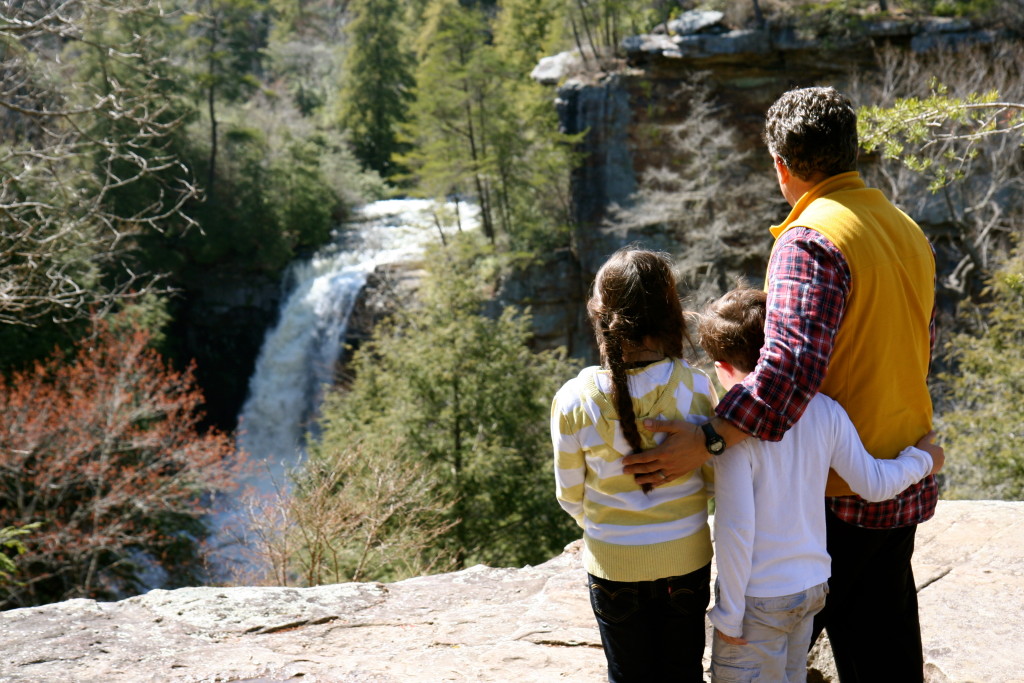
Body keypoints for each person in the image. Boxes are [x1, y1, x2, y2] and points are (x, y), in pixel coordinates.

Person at [621, 85, 939, 682]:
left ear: (781, 165)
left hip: (834, 493)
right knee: (885, 657)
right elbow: (921, 345)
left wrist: (710, 437)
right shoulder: (906, 230)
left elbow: (789, 364)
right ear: (851, 152)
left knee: (768, 656)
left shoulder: (811, 240)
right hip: (895, 473)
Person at [697, 286, 944, 683]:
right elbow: (875, 483)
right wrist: (924, 459)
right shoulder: (825, 410)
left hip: (759, 599)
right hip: (812, 589)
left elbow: (736, 528)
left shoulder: (735, 426)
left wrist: (728, 613)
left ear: (722, 368)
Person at [551, 246, 715, 682]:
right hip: (687, 560)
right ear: (671, 312)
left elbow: (570, 495)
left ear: (601, 315)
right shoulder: (695, 387)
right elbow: (716, 477)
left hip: (612, 564)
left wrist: (610, 527)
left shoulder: (573, 399)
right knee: (683, 673)